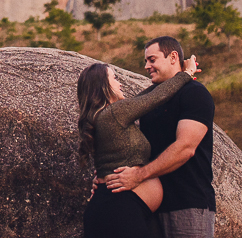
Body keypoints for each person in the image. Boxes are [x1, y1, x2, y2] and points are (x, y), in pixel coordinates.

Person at [102, 36, 216, 238]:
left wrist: (138, 176)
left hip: (188, 204)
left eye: (152, 60)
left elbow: (185, 148)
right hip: (150, 207)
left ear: (173, 57)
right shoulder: (151, 100)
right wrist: (104, 175)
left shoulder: (194, 94)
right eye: (146, 61)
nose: (147, 66)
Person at [77, 56, 198, 238]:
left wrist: (176, 76)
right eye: (114, 79)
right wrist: (187, 73)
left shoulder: (104, 116)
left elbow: (145, 97)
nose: (120, 83)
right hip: (118, 212)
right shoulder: (114, 113)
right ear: (104, 86)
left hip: (113, 210)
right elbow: (156, 97)